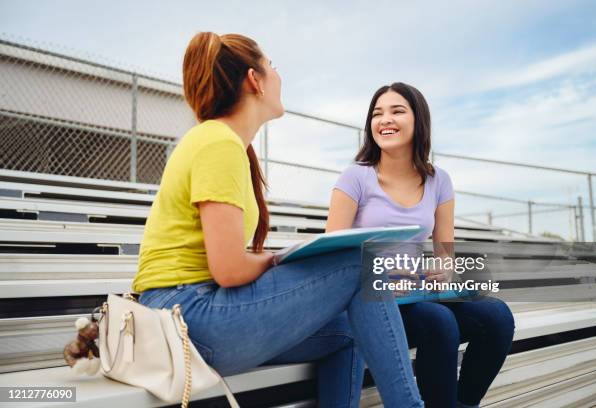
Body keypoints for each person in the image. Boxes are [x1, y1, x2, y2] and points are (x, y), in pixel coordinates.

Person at [131, 33, 424, 408]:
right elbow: (229, 270)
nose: (278, 77)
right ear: (255, 79)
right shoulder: (218, 143)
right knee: (363, 264)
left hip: (191, 315)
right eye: (274, 67)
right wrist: (275, 259)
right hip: (188, 317)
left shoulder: (221, 142)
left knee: (349, 331)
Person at [326, 82, 515, 408]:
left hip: (417, 290)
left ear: (418, 120)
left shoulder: (439, 180)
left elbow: (445, 254)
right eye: (377, 114)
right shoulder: (354, 177)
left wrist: (441, 270)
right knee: (438, 322)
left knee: (497, 315)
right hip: (371, 298)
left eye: (397, 111)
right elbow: (331, 259)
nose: (385, 120)